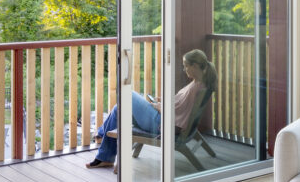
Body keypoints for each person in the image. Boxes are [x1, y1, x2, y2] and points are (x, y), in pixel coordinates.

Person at [87, 48, 217, 168]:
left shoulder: (195, 88)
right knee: (119, 108)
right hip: (160, 116)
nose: (184, 69)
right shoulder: (201, 83)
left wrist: (159, 107)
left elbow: (178, 116)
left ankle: (102, 139)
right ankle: (103, 147)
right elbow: (181, 106)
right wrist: (164, 101)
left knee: (128, 94)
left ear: (194, 66)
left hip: (158, 122)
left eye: (186, 66)